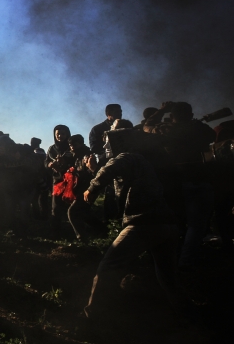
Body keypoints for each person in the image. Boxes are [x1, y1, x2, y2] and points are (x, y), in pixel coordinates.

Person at [81, 137, 187, 318]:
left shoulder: (128, 156)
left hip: (144, 223)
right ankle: (188, 314)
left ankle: (92, 317)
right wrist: (94, 170)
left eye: (108, 140)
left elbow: (113, 166)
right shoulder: (145, 162)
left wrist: (92, 188)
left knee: (107, 267)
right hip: (167, 223)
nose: (106, 145)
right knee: (168, 278)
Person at [148, 102, 216, 268]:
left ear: (172, 116)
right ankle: (187, 261)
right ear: (191, 115)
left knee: (176, 222)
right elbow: (212, 136)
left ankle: (172, 259)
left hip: (174, 182)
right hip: (199, 179)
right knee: (196, 225)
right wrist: (196, 122)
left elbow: (147, 126)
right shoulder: (199, 129)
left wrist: (161, 110)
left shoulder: (164, 129)